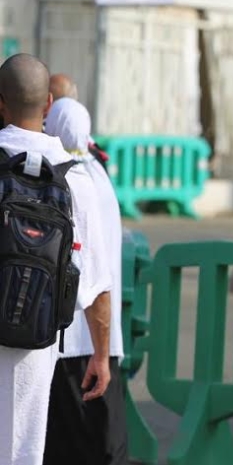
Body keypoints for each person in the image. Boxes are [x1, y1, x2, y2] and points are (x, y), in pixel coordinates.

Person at [0, 54, 111, 465]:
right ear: (48, 103)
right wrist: (101, 355)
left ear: (0, 103)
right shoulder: (74, 178)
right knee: (21, 450)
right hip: (35, 342)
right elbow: (97, 284)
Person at [42, 98, 127, 464]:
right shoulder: (99, 178)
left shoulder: (56, 178)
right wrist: (104, 352)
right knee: (104, 443)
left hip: (57, 339)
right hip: (97, 337)